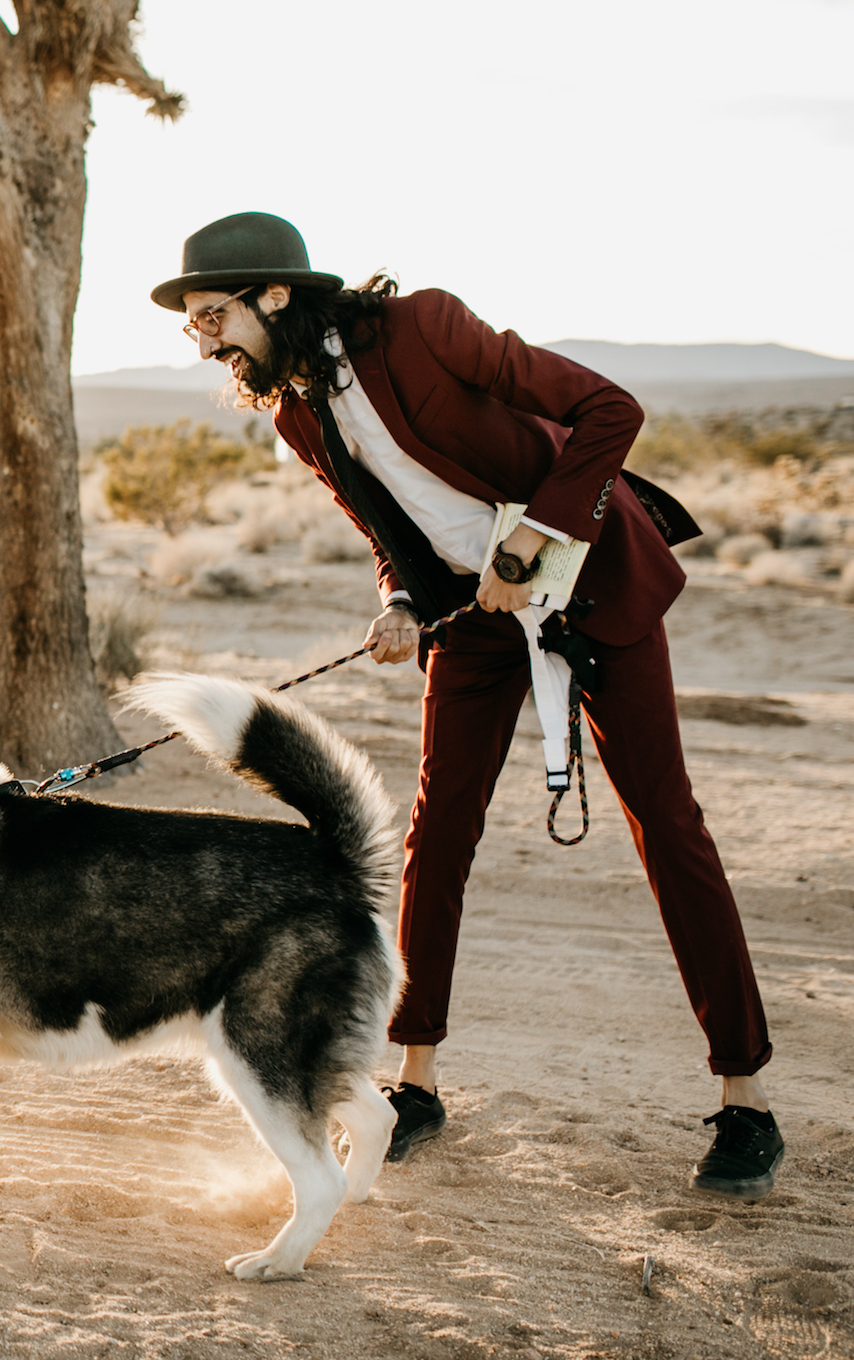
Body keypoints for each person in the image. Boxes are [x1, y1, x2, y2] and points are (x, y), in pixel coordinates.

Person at [153, 210, 784, 1200]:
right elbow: (387, 531)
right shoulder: (296, 416)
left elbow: (609, 411)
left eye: (210, 315)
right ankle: (415, 1083)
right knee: (434, 836)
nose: (202, 340)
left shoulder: (423, 329)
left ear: (274, 293)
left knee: (667, 825)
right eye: (193, 325)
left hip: (591, 583)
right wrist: (400, 602)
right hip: (475, 619)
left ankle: (744, 1098)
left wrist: (531, 539)